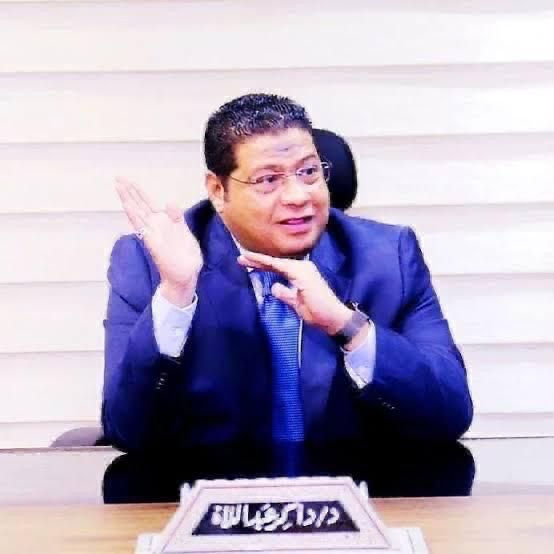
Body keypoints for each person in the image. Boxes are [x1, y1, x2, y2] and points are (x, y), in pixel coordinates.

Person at [102, 93, 473, 453]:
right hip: (210, 489)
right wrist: (178, 294)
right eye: (268, 180)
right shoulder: (152, 263)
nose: (298, 196)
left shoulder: (389, 257)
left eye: (309, 172)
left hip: (354, 487)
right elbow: (128, 430)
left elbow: (450, 414)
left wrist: (347, 326)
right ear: (218, 190)